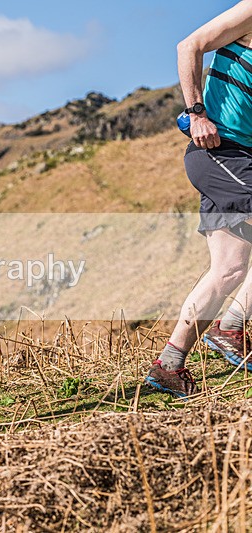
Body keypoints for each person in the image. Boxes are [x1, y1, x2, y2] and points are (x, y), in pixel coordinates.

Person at [145, 1, 252, 398]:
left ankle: (170, 365)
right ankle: (230, 329)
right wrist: (197, 112)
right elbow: (189, 45)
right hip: (219, 151)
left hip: (243, 158)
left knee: (228, 270)